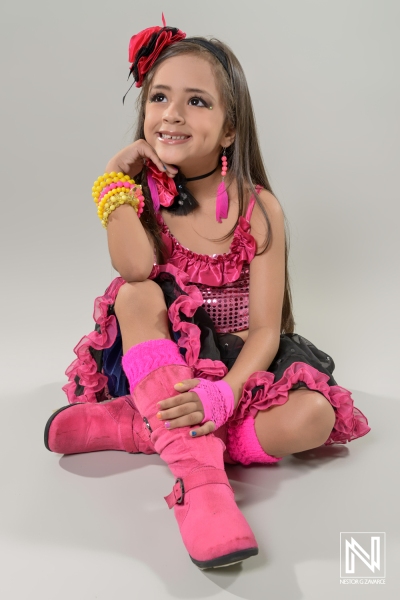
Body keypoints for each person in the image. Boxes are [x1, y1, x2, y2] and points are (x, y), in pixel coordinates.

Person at [44, 18, 370, 570]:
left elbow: (268, 330)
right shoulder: (144, 199)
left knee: (312, 418)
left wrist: (224, 395)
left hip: (237, 371)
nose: (171, 114)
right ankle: (202, 486)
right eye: (159, 98)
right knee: (134, 294)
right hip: (166, 361)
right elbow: (134, 266)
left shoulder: (258, 207)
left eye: (196, 101)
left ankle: (139, 426)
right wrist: (114, 181)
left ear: (229, 129)